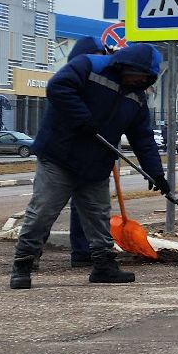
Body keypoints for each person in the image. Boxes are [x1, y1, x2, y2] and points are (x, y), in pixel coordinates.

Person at [9, 42, 170, 290]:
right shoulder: (88, 66)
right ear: (125, 66)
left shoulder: (137, 98)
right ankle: (23, 264)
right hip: (60, 156)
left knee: (98, 217)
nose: (139, 81)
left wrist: (156, 173)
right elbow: (58, 87)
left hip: (96, 164)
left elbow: (143, 138)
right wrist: (82, 118)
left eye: (145, 78)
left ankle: (104, 266)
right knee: (43, 212)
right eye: (136, 75)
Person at [62, 36, 108, 269]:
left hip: (91, 153)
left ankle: (83, 252)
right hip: (62, 154)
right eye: (95, 58)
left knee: (86, 206)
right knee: (47, 206)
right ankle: (31, 254)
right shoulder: (70, 80)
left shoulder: (101, 83)